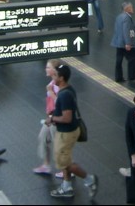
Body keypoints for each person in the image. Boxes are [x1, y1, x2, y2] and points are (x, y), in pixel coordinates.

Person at [47, 64, 99, 199]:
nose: (52, 77)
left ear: (62, 78)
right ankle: (66, 186)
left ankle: (89, 179)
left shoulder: (65, 95)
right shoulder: (68, 89)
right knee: (64, 159)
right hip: (66, 131)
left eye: (55, 75)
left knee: (65, 163)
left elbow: (66, 118)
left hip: (66, 133)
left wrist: (52, 118)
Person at [34, 59, 64, 176]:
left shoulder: (57, 86)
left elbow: (61, 103)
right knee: (42, 138)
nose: (46, 69)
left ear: (54, 70)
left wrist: (50, 92)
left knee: (59, 144)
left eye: (48, 67)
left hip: (57, 119)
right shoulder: (51, 84)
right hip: (50, 118)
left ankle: (66, 169)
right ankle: (46, 165)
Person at [112, 2, 135, 83]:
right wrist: (128, 43)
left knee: (119, 60)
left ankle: (118, 77)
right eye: (131, 7)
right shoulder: (127, 18)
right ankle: (132, 76)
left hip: (119, 42)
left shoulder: (119, 16)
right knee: (133, 58)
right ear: (127, 9)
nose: (132, 9)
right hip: (125, 43)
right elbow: (126, 30)